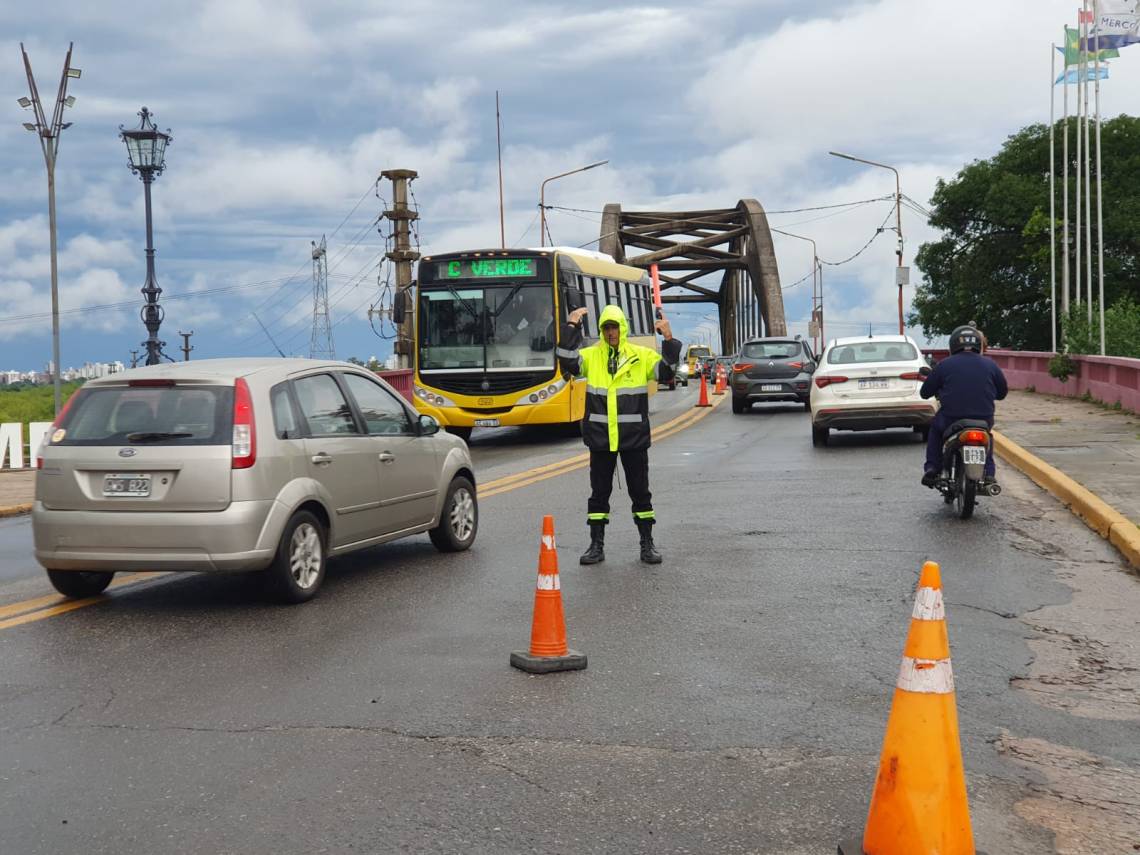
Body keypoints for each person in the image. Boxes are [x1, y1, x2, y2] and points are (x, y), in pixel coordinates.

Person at [557, 303, 682, 564]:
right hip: (602, 439)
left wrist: (668, 339)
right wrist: (571, 326)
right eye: (606, 328)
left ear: (621, 329)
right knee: (599, 495)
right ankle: (596, 546)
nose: (611, 332)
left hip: (633, 438)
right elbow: (567, 360)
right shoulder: (591, 356)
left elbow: (668, 373)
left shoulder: (641, 356)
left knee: (641, 492)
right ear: (602, 330)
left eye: (614, 327)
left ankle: (647, 544)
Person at [919, 325, 1008, 488]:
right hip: (983, 417)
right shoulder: (990, 365)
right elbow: (1002, 393)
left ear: (953, 345)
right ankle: (989, 473)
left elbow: (924, 393)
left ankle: (932, 468)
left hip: (951, 418)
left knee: (935, 431)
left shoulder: (944, 365)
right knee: (987, 436)